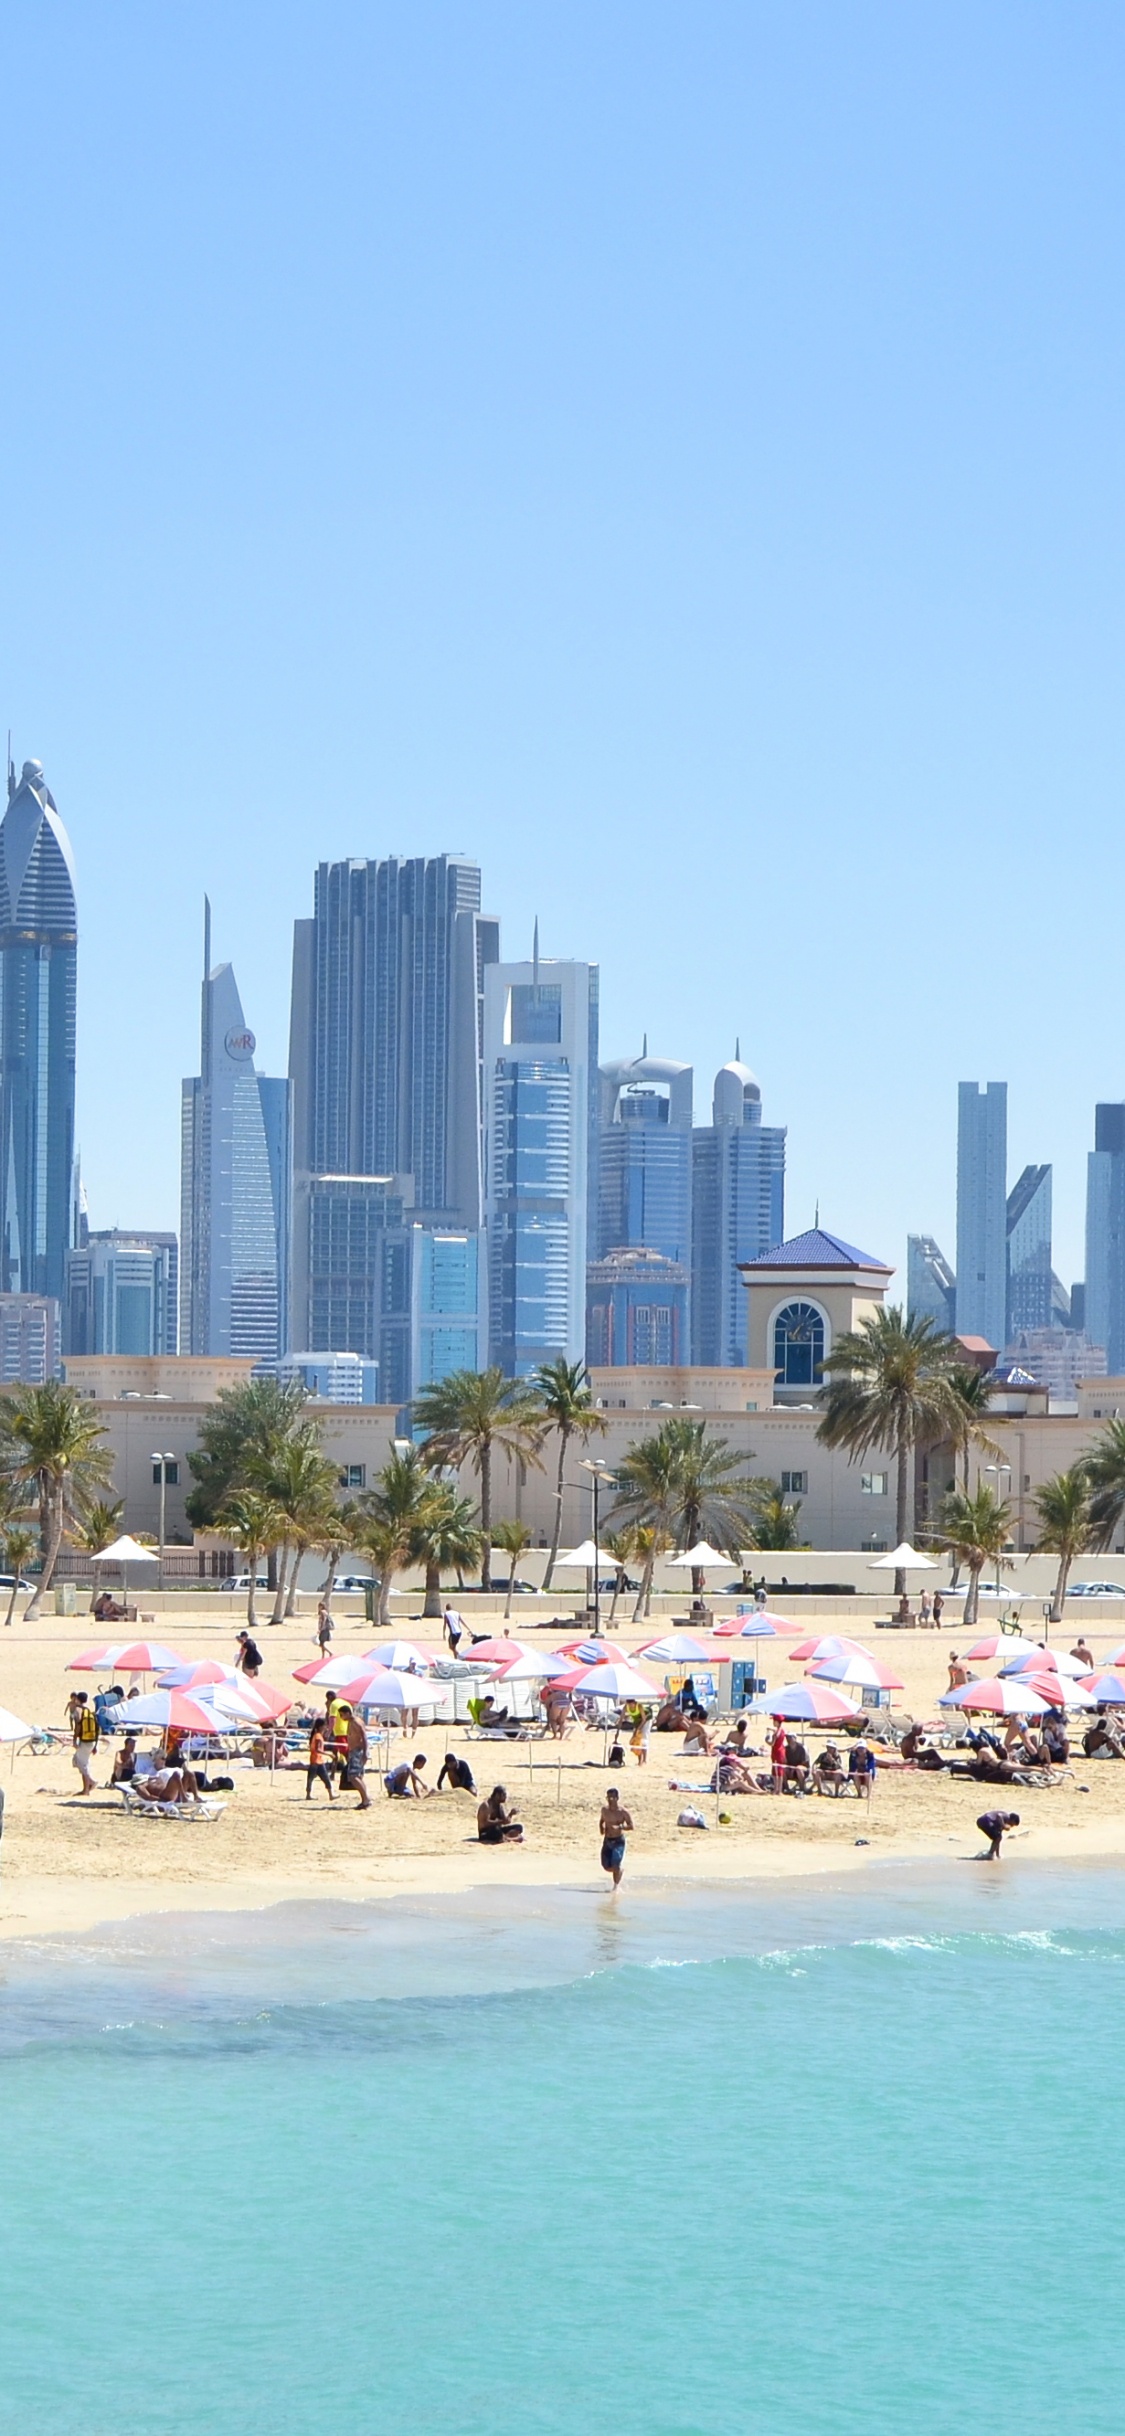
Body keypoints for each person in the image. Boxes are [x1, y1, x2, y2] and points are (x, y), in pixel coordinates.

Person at [598, 1786, 634, 1888]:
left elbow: (631, 1826)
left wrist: (620, 1827)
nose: (610, 1800)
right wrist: (601, 1828)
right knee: (606, 1866)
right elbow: (601, 1821)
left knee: (615, 1864)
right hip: (607, 1840)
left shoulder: (623, 1812)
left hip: (618, 1841)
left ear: (617, 1798)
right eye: (608, 1798)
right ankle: (619, 1871)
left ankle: (615, 1887)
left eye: (613, 1798)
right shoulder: (604, 1810)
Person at [339, 1706, 371, 1809]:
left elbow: (364, 1736)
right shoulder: (351, 1722)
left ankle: (366, 1800)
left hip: (358, 1751)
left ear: (348, 1713)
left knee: (354, 1776)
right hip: (354, 1751)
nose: (341, 1717)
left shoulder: (356, 1722)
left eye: (342, 1714)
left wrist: (365, 1752)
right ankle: (365, 1799)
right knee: (357, 1776)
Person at [71, 1691, 99, 1794]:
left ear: (77, 1699)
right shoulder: (89, 1711)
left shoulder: (78, 1710)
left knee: (81, 1764)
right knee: (82, 1762)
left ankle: (88, 1786)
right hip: (91, 1741)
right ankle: (88, 1785)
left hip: (84, 1740)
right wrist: (95, 1745)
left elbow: (77, 1726)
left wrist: (74, 1740)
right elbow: (96, 1729)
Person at [305, 1716, 335, 1803]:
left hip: (314, 1760)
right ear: (321, 1726)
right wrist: (329, 1754)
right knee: (325, 1778)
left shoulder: (315, 1735)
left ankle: (308, 1795)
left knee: (310, 1778)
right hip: (318, 1761)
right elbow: (318, 1749)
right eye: (325, 1726)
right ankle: (331, 1794)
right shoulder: (318, 1736)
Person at [770, 1717, 788, 1794]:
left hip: (776, 1752)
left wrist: (767, 1740)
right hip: (781, 1751)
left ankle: (777, 1789)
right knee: (780, 1770)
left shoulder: (776, 1732)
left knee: (775, 1770)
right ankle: (779, 1789)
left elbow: (772, 1744)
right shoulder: (782, 1731)